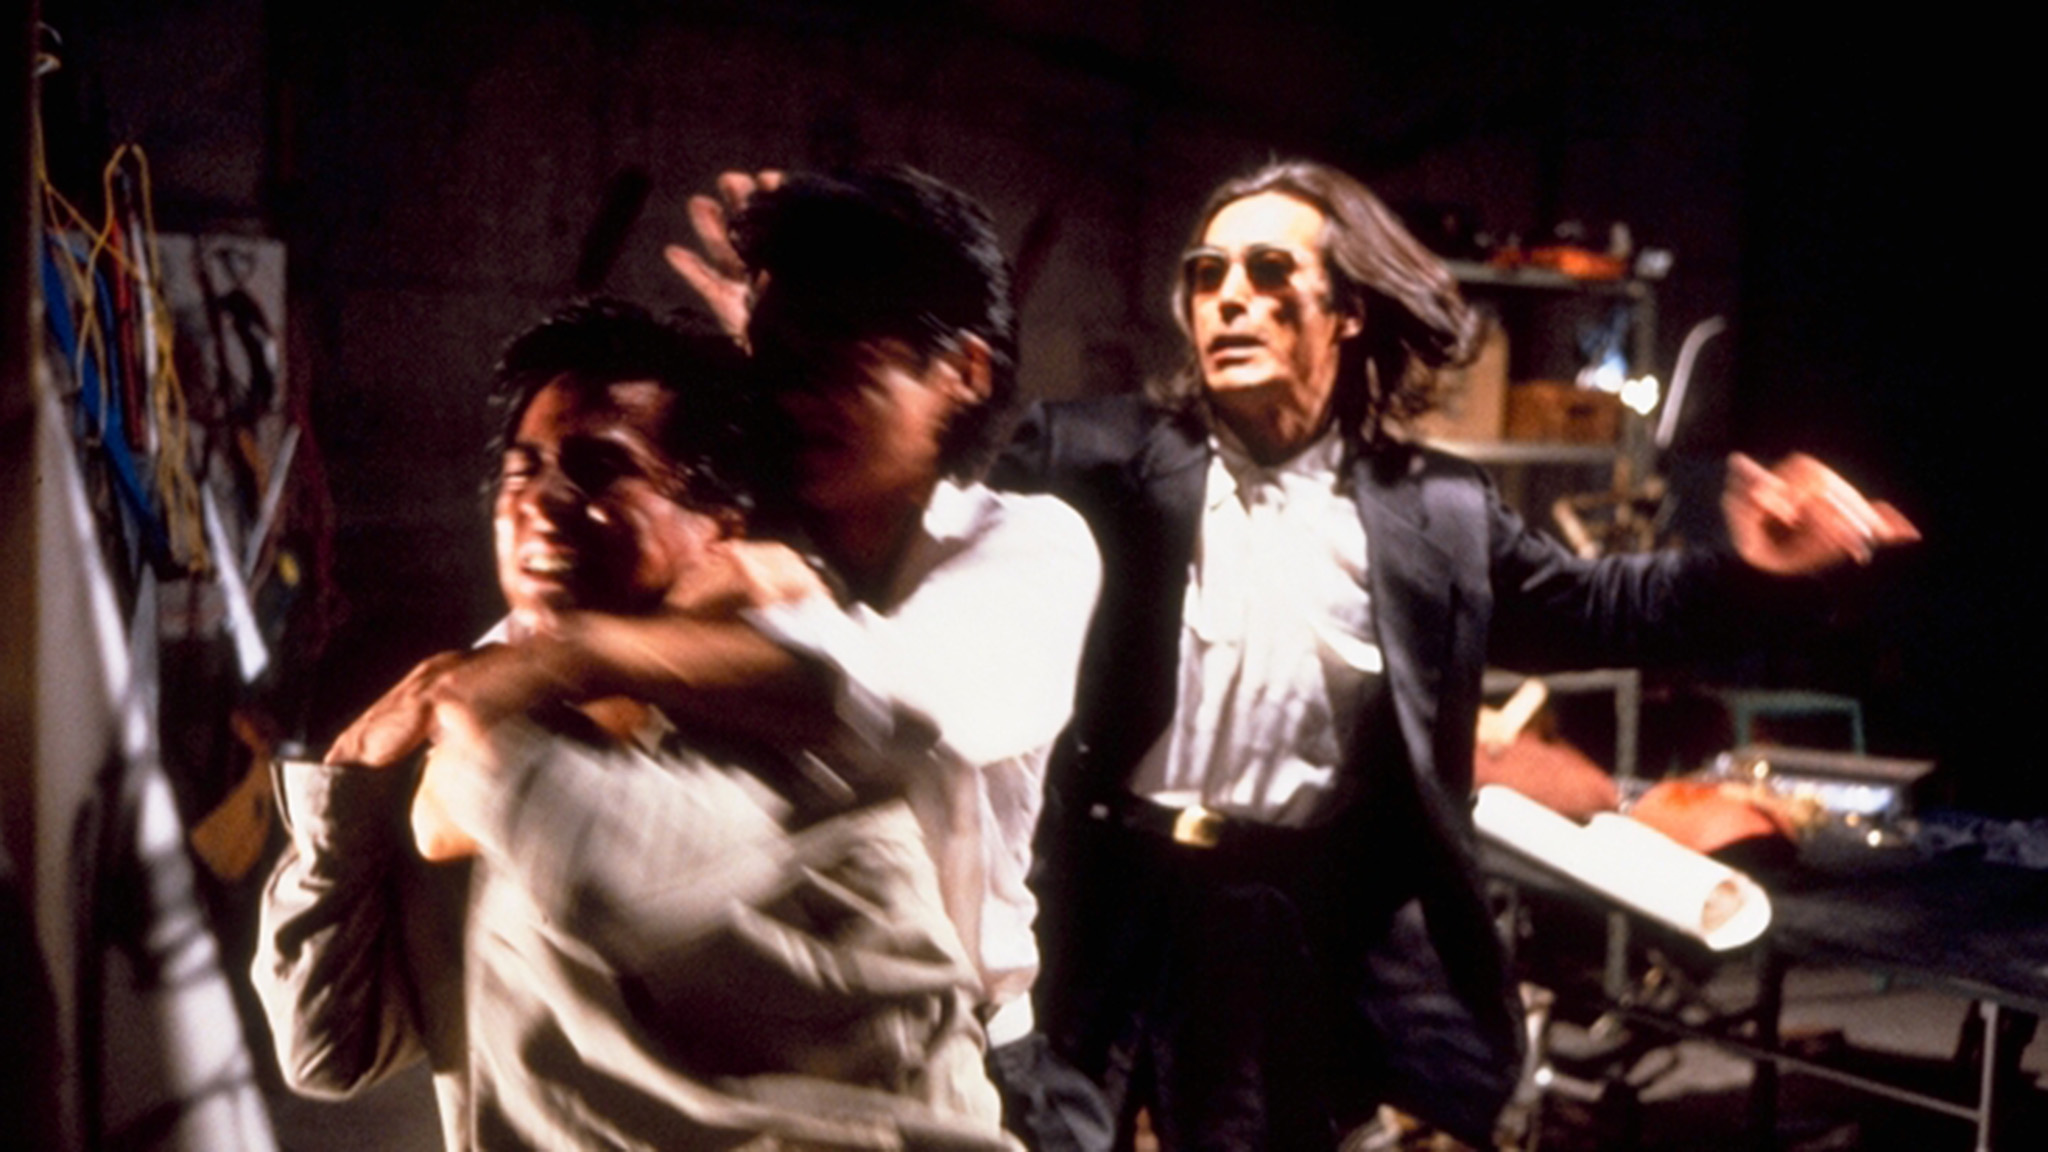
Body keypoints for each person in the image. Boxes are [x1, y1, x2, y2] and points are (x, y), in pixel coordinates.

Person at [983, 159, 1920, 1149]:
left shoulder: (1432, 511)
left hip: (1276, 919)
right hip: (1098, 893)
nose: (1229, 299)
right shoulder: (1085, 458)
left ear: (1347, 310)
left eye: (1268, 271)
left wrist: (1763, 574)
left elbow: (1600, 610)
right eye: (1207, 275)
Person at [251, 300, 1017, 1150]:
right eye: (521, 473)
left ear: (723, 528)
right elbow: (326, 1049)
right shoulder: (485, 731)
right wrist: (355, 764)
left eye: (602, 470)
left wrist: (505, 688)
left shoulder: (806, 735)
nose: (542, 504)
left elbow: (594, 862)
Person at [519, 170, 1113, 1150]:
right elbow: (524, 659)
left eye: (838, 352)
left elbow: (901, 703)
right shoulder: (735, 538)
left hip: (967, 1062)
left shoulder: (1026, 544)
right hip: (755, 1062)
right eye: (775, 357)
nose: (793, 395)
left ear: (963, 370)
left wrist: (589, 650)